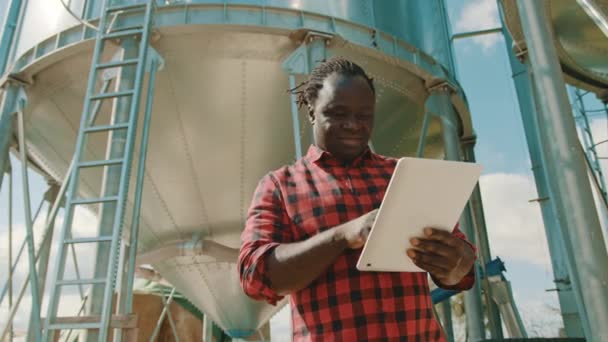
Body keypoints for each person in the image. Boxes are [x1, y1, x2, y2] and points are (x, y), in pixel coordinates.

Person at [238, 57, 476, 341]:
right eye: (337, 113)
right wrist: (344, 235)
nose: (353, 124)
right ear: (312, 111)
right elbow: (255, 276)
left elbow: (461, 272)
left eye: (364, 115)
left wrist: (455, 263)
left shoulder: (404, 176)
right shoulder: (280, 185)